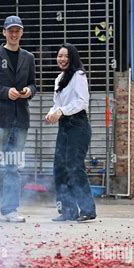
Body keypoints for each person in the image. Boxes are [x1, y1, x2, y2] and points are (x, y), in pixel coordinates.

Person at [0, 16, 37, 224]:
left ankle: (10, 211)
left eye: (17, 30)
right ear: (4, 32)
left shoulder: (28, 57)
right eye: (10, 30)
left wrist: (29, 91)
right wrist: (5, 92)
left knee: (14, 167)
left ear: (22, 32)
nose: (14, 34)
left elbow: (34, 84)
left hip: (20, 121)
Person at [45, 43, 96, 222]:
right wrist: (52, 112)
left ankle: (88, 210)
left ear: (72, 57)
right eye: (60, 56)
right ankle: (68, 210)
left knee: (74, 166)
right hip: (64, 126)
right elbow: (56, 103)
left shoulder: (79, 75)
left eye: (66, 56)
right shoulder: (59, 78)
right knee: (59, 167)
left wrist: (62, 111)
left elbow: (82, 101)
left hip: (78, 126)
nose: (62, 59)